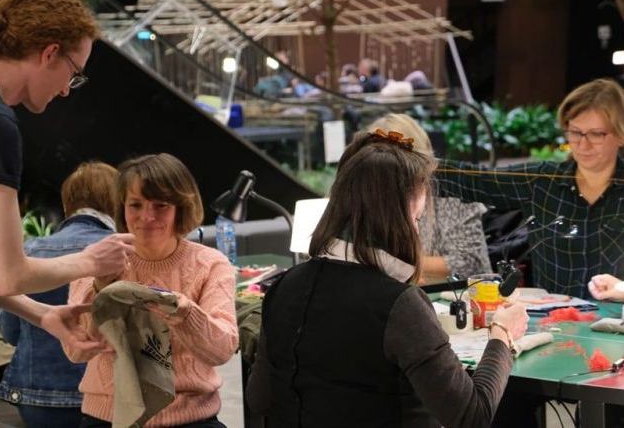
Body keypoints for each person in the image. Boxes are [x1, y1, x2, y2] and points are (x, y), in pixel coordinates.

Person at [0, 0, 134, 426]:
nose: (67, 90)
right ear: (48, 53)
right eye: (74, 73)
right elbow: (10, 274)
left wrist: (42, 314)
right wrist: (91, 260)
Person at [246, 129, 528, 427]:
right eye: (416, 218)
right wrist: (502, 334)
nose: (417, 231)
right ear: (394, 219)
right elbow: (473, 416)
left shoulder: (284, 286)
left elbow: (259, 398)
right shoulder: (399, 305)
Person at [65, 153, 238, 428]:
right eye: (135, 205)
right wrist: (100, 286)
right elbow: (76, 352)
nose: (147, 216)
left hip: (191, 417)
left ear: (181, 208)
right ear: (121, 207)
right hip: (109, 417)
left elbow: (222, 351)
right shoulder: (98, 258)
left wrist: (187, 315)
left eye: (161, 205)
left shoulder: (210, 264)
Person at [435, 78, 624, 299]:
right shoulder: (542, 181)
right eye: (575, 132)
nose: (583, 144)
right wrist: (415, 165)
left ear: (620, 135)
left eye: (596, 134)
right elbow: (477, 181)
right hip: (553, 315)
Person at [0, 161, 120, 428]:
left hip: (37, 398)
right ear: (117, 201)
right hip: (110, 395)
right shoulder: (123, 252)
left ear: (67, 203)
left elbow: (10, 332)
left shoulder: (29, 252)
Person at [369, 113, 492, 280]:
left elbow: (469, 262)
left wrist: (390, 262)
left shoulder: (453, 194)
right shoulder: (372, 196)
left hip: (461, 292)